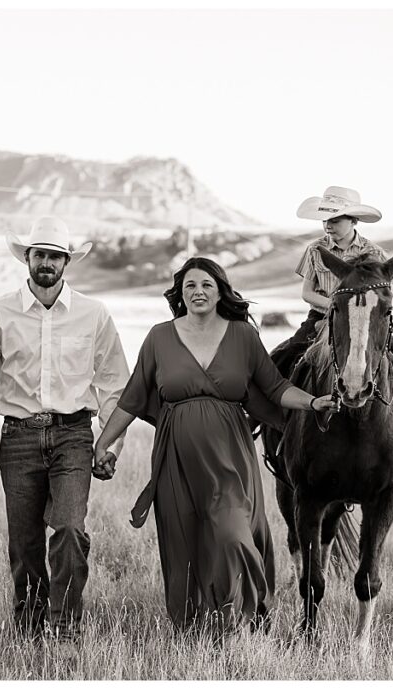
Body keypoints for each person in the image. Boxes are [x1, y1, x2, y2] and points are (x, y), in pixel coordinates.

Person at [91, 257, 337, 640]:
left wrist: (313, 402)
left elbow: (274, 388)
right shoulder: (159, 336)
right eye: (190, 285)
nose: (198, 292)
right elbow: (133, 397)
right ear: (179, 293)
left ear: (221, 290)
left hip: (229, 457)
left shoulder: (241, 336)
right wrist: (104, 444)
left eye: (206, 284)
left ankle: (242, 617)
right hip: (176, 457)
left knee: (233, 534)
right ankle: (198, 628)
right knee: (186, 539)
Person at [0, 216, 130, 644]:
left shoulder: (94, 314)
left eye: (55, 256)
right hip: (19, 437)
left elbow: (114, 386)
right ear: (27, 258)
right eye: (39, 254)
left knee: (69, 528)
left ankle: (65, 625)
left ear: (67, 262)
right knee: (24, 540)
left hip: (74, 435)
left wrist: (111, 446)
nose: (46, 262)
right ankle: (28, 625)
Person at [269, 186, 393, 442]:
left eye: (335, 220)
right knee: (286, 352)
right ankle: (262, 414)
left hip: (364, 322)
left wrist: (360, 311)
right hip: (321, 317)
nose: (328, 226)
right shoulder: (315, 250)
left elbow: (387, 291)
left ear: (353, 220)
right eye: (325, 220)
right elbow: (307, 293)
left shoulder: (374, 253)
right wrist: (337, 306)